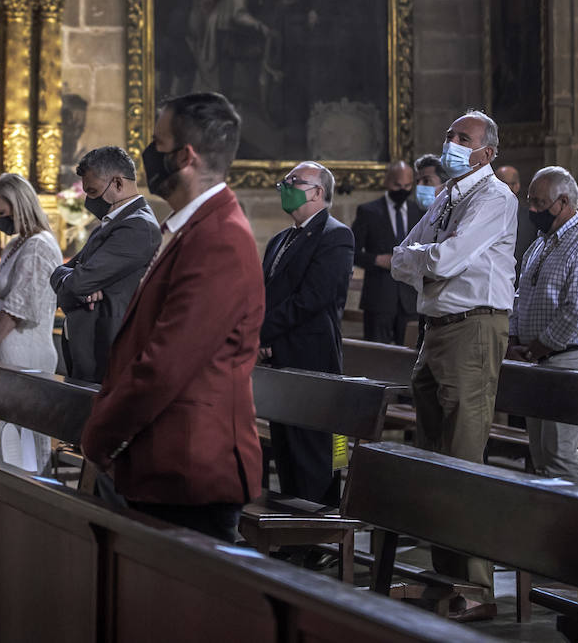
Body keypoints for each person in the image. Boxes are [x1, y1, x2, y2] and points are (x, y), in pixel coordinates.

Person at [81, 92, 264, 542]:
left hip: (190, 466)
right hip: (166, 459)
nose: (149, 153)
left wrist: (99, 437)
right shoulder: (194, 228)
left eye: (157, 143)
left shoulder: (219, 238)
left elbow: (166, 364)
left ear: (185, 156)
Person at [390, 110, 516, 622]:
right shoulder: (446, 197)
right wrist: (425, 259)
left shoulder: (494, 198)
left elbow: (443, 261)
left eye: (463, 138)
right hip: (436, 330)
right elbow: (402, 255)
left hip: (473, 328)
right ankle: (446, 578)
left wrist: (424, 260)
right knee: (434, 457)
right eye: (450, 135)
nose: (452, 144)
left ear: (488, 152)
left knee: (464, 458)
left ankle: (478, 588)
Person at [505, 167, 578, 485]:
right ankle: (544, 527)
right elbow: (520, 296)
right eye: (530, 201)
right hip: (534, 360)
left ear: (563, 202)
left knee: (560, 454)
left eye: (538, 203)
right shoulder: (540, 244)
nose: (531, 209)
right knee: (539, 454)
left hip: (566, 359)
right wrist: (513, 337)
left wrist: (539, 345)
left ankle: (575, 530)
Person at [261, 161, 354, 507]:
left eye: (293, 182)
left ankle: (320, 532)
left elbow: (313, 299)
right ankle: (292, 530)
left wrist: (261, 333)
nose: (285, 187)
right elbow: (266, 296)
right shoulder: (280, 239)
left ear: (317, 192)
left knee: (318, 450)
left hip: (312, 357)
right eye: (283, 182)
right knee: (287, 449)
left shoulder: (335, 235)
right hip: (281, 357)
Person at [51, 146, 161, 383]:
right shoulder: (112, 221)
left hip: (105, 348)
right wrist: (72, 279)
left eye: (93, 192)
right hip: (89, 345)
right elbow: (62, 271)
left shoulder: (137, 226)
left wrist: (77, 282)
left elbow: (78, 282)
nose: (90, 201)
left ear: (118, 184)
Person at [0, 172, 64, 471]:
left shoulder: (39, 245)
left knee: (22, 441)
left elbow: (18, 307)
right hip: (4, 350)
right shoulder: (17, 243)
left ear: (20, 206)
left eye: (2, 213)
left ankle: (24, 503)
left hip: (24, 350)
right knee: (3, 436)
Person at [351, 161, 424, 345]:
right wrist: (376, 259)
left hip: (410, 299)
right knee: (377, 358)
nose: (402, 189)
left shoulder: (419, 212)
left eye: (407, 186)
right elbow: (351, 251)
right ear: (387, 182)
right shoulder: (368, 211)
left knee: (409, 358)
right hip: (379, 298)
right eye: (397, 185)